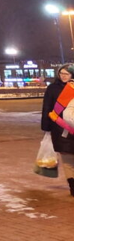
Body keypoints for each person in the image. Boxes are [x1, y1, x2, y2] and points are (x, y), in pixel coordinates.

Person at [41, 64, 74, 196]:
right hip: (59, 128)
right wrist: (46, 127)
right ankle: (74, 186)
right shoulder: (52, 88)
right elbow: (47, 108)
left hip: (75, 126)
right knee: (67, 160)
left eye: (67, 73)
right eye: (61, 73)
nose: (63, 76)